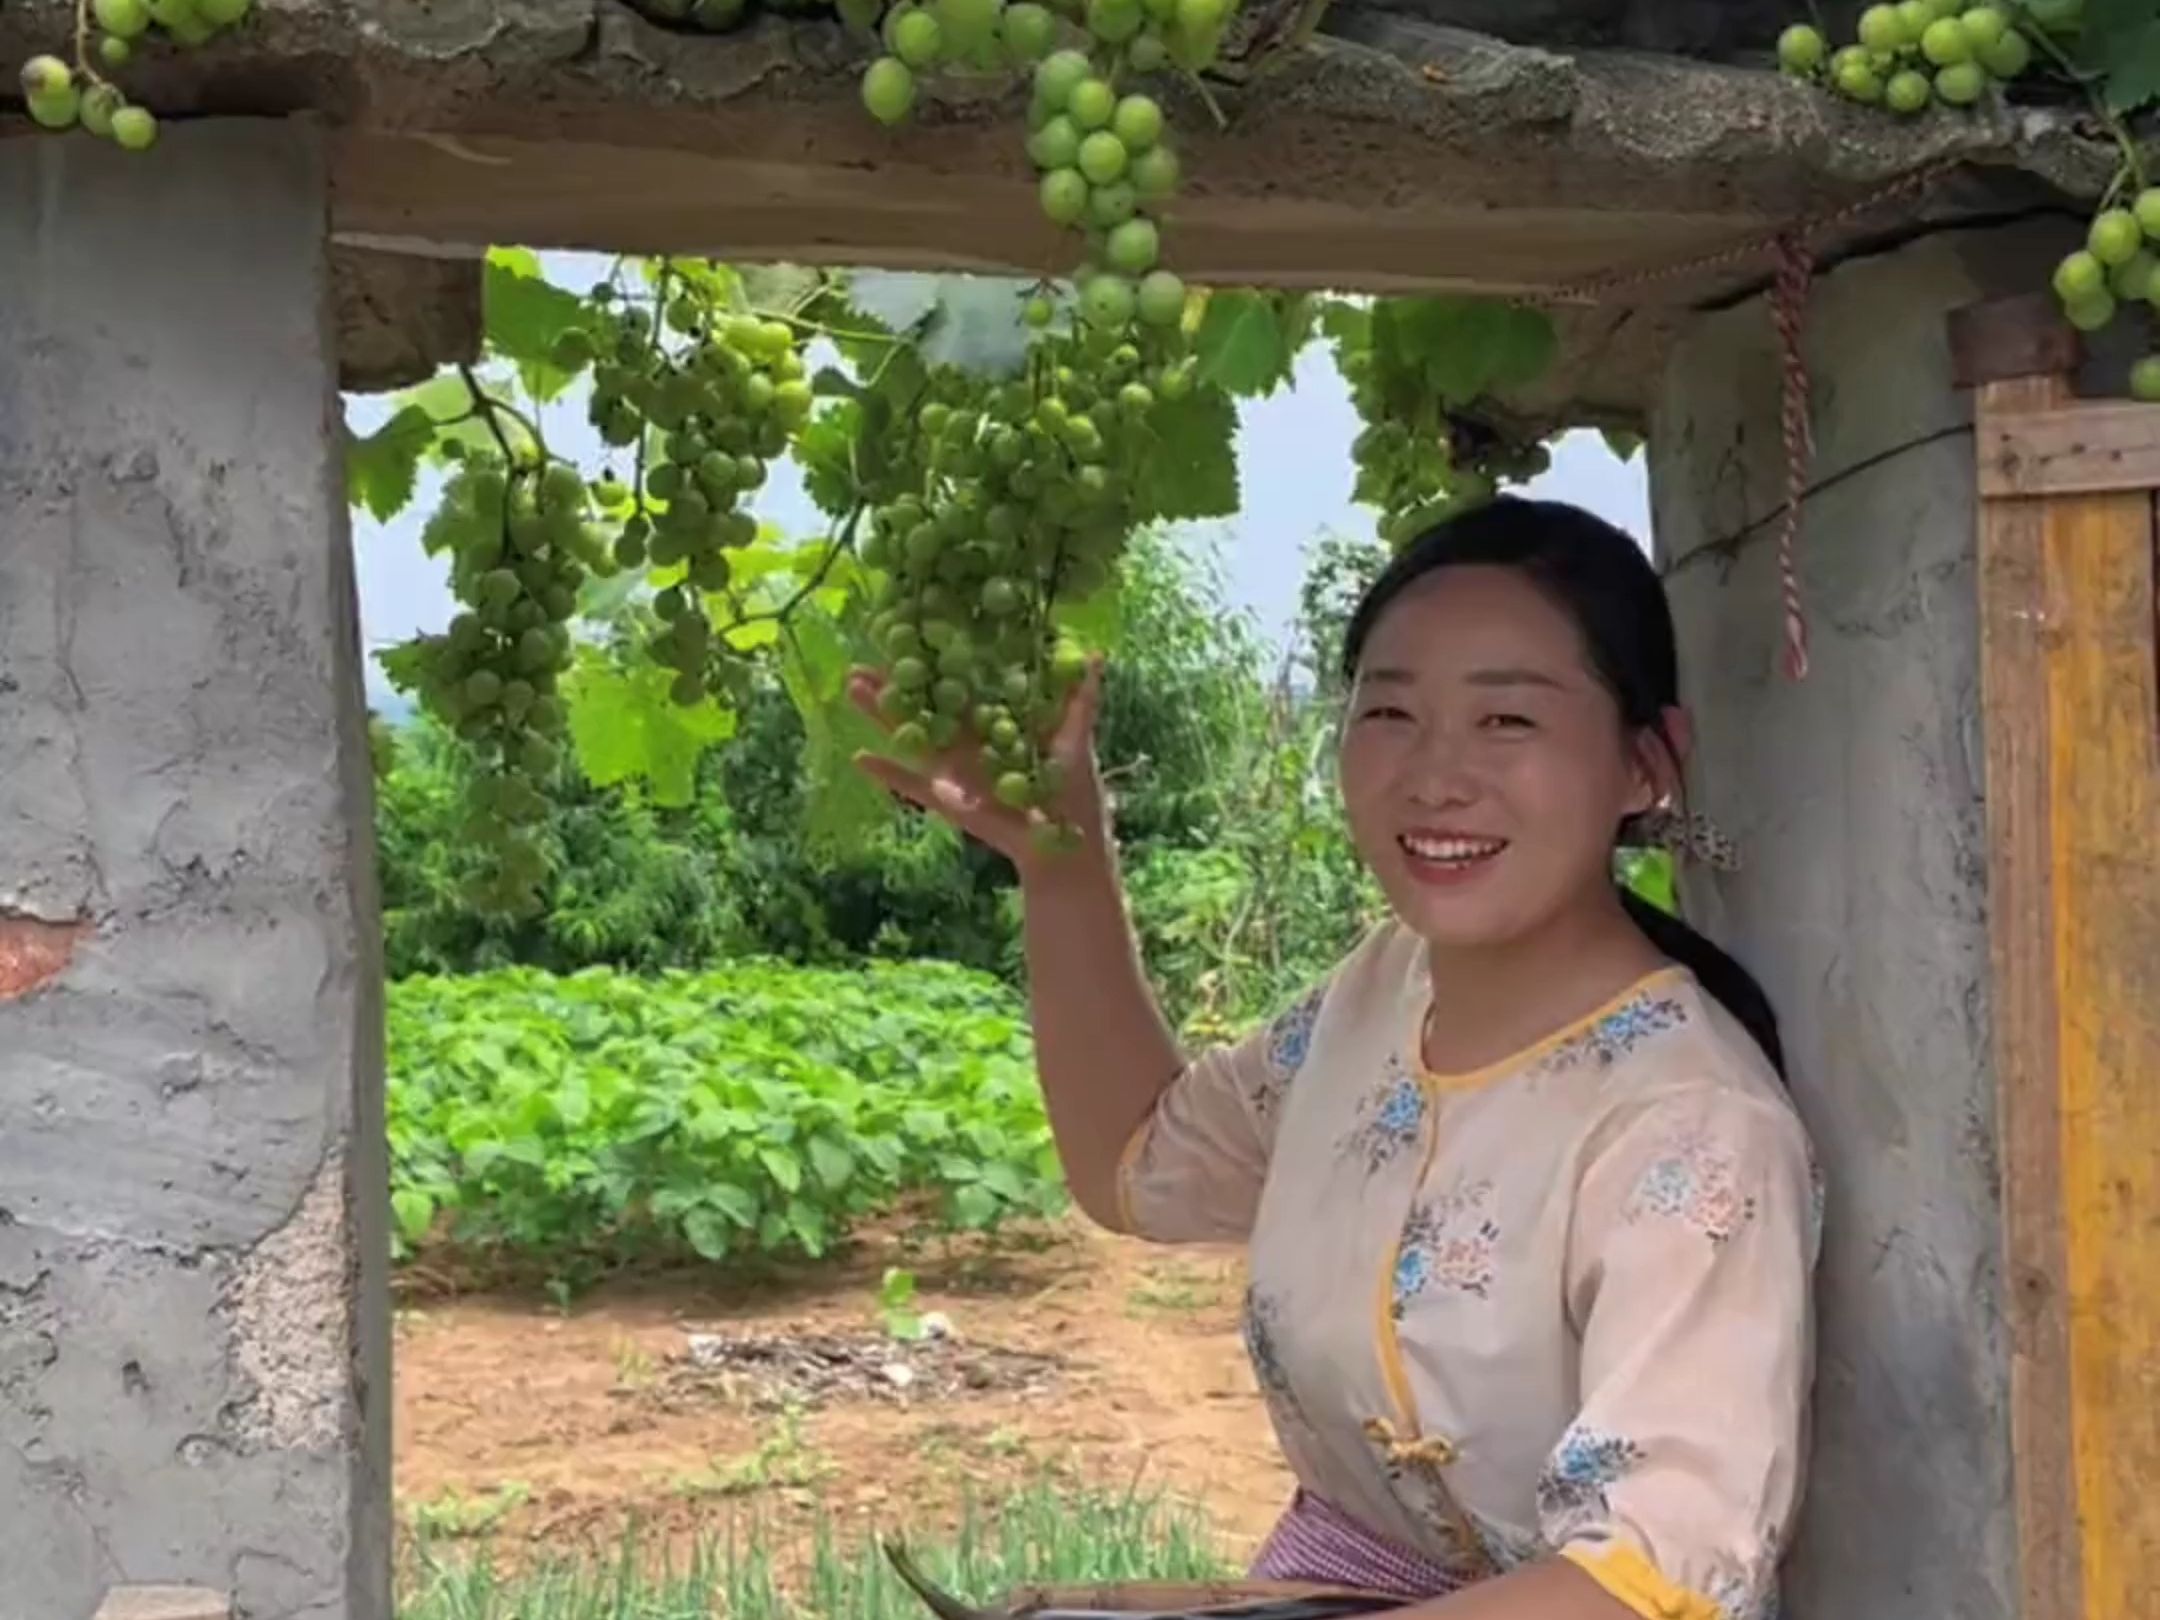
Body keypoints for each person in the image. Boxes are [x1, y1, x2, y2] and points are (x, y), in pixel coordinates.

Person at [848, 496, 1820, 1620]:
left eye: (1507, 722)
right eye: (1391, 714)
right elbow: (1136, 1161)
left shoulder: (1693, 1124)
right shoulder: (1380, 990)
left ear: (1647, 764)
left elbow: (1652, 1579)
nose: (1435, 776)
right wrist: (1057, 858)